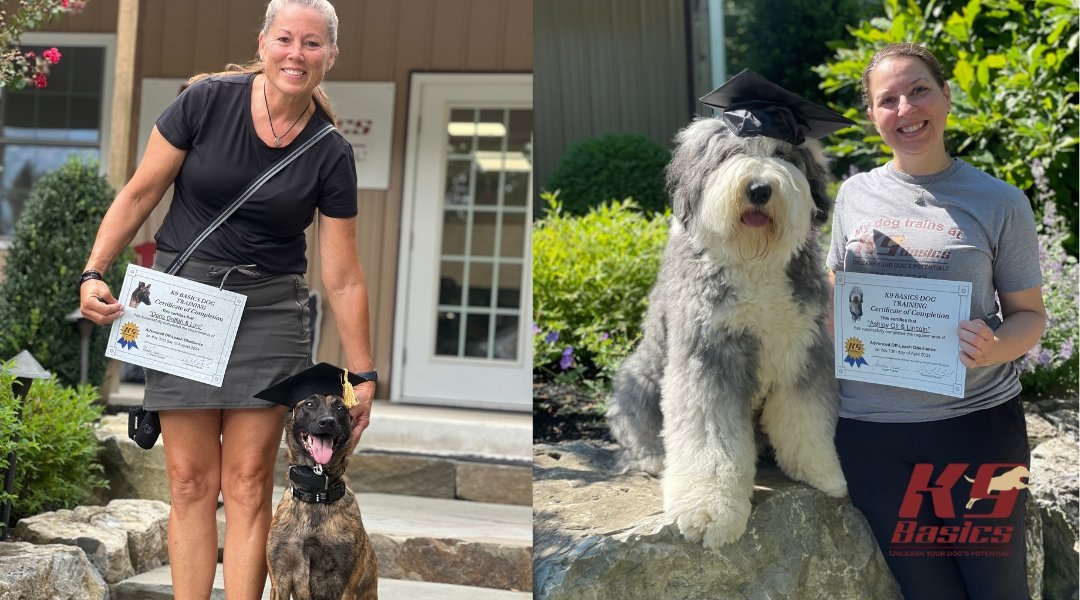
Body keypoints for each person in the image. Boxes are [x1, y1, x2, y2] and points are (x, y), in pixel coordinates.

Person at [78, 1, 375, 598]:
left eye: (312, 44)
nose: (297, 53)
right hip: (182, 305)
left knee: (246, 481)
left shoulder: (330, 152)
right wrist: (92, 271)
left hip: (268, 315)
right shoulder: (205, 102)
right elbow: (139, 194)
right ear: (264, 42)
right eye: (286, 39)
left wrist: (362, 371)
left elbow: (342, 274)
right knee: (189, 480)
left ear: (330, 57)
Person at [827, 42, 1045, 599]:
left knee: (997, 592)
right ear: (874, 116)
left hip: (976, 431)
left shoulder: (999, 202)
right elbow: (837, 294)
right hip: (872, 438)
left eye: (919, 90)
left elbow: (1030, 317)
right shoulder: (853, 195)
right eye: (888, 100)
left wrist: (996, 345)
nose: (906, 109)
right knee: (929, 593)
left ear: (946, 97)